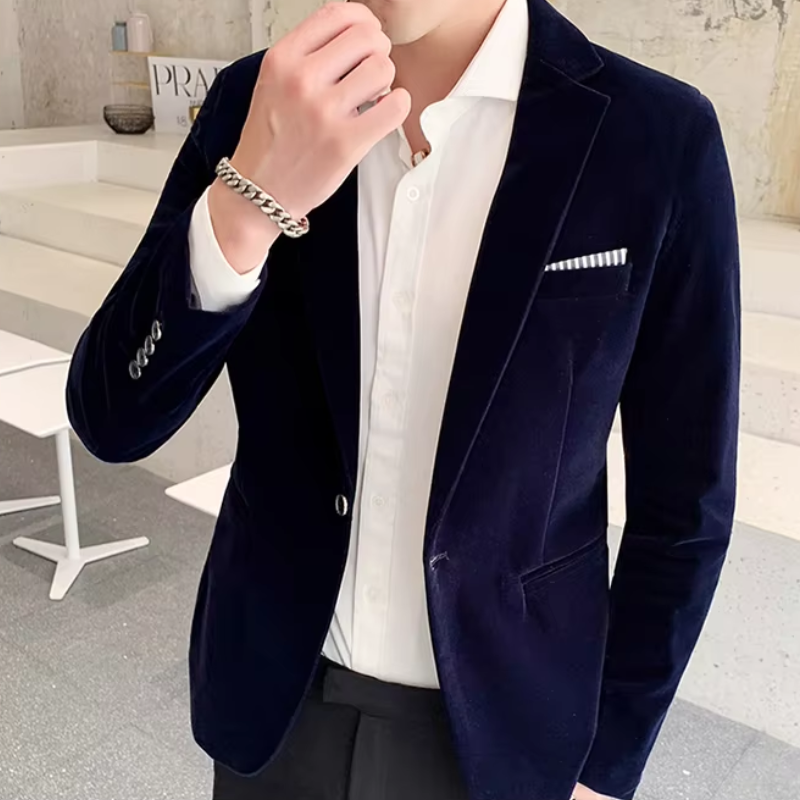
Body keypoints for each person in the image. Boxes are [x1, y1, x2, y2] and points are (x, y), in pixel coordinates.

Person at [66, 0, 741, 797]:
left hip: (511, 729)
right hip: (276, 703)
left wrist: (608, 763)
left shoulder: (655, 133)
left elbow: (687, 505)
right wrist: (247, 204)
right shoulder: (257, 102)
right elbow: (112, 419)